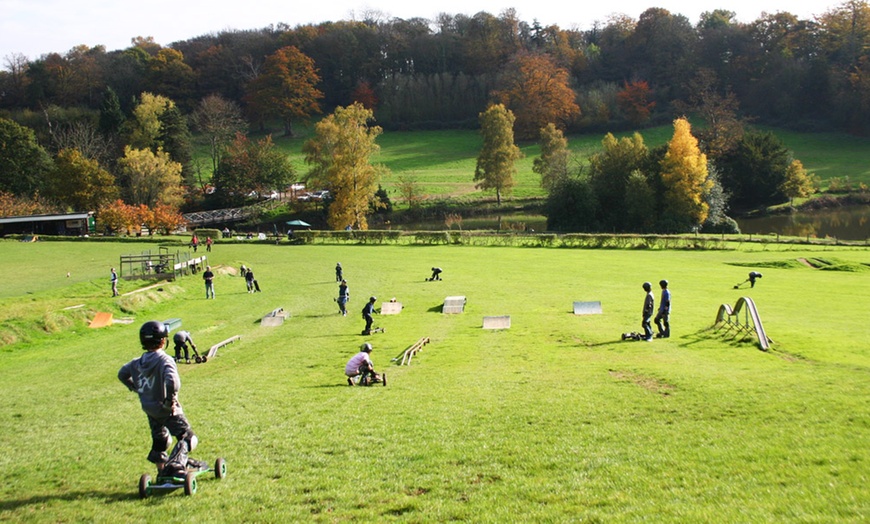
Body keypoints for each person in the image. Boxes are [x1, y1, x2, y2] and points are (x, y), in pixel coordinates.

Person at [118, 321, 207, 478]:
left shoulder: (136, 363)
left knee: (161, 439)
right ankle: (176, 465)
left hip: (150, 409)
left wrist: (136, 388)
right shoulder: (165, 360)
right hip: (167, 409)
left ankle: (161, 471)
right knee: (188, 437)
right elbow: (173, 382)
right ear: (163, 340)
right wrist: (169, 401)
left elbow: (122, 375)